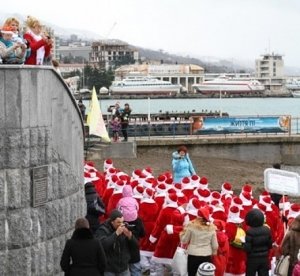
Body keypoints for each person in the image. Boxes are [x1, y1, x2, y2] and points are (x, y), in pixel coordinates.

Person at [95, 209, 139, 276]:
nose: (121, 224)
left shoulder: (125, 228)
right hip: (109, 269)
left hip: (124, 268)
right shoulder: (103, 230)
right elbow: (103, 246)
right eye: (118, 222)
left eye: (122, 222)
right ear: (112, 222)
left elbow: (135, 246)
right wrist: (116, 233)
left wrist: (130, 236)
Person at [180, 206, 218, 276]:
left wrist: (182, 234)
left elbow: (184, 241)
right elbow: (215, 245)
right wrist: (213, 253)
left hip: (193, 254)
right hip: (206, 255)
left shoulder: (191, 226)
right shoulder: (212, 227)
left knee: (192, 273)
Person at [243, 208, 273, 276]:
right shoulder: (267, 229)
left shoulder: (250, 231)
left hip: (252, 259)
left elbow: (248, 248)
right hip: (264, 258)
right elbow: (269, 245)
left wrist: (243, 245)